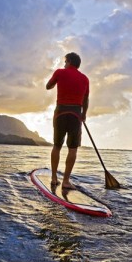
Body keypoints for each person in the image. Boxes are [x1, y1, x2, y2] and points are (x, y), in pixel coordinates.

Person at [46, 52, 89, 190]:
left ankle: (54, 178)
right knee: (73, 149)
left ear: (69, 61)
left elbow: (48, 86)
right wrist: (84, 114)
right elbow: (85, 100)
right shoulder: (85, 79)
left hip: (60, 113)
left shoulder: (60, 72)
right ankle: (65, 181)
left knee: (57, 145)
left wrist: (56, 81)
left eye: (65, 62)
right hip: (76, 114)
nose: (64, 64)